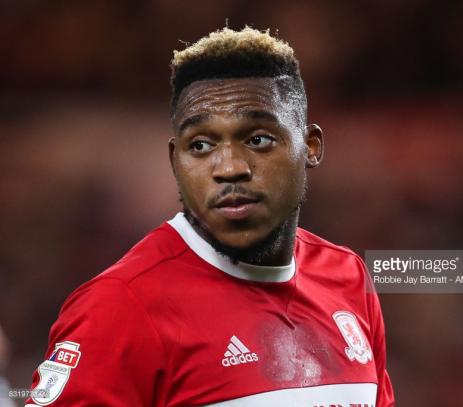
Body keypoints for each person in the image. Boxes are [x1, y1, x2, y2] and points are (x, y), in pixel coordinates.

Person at [26, 27, 395, 406]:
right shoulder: (121, 305)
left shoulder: (347, 279)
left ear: (310, 147)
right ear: (175, 161)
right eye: (200, 145)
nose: (229, 167)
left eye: (258, 140)